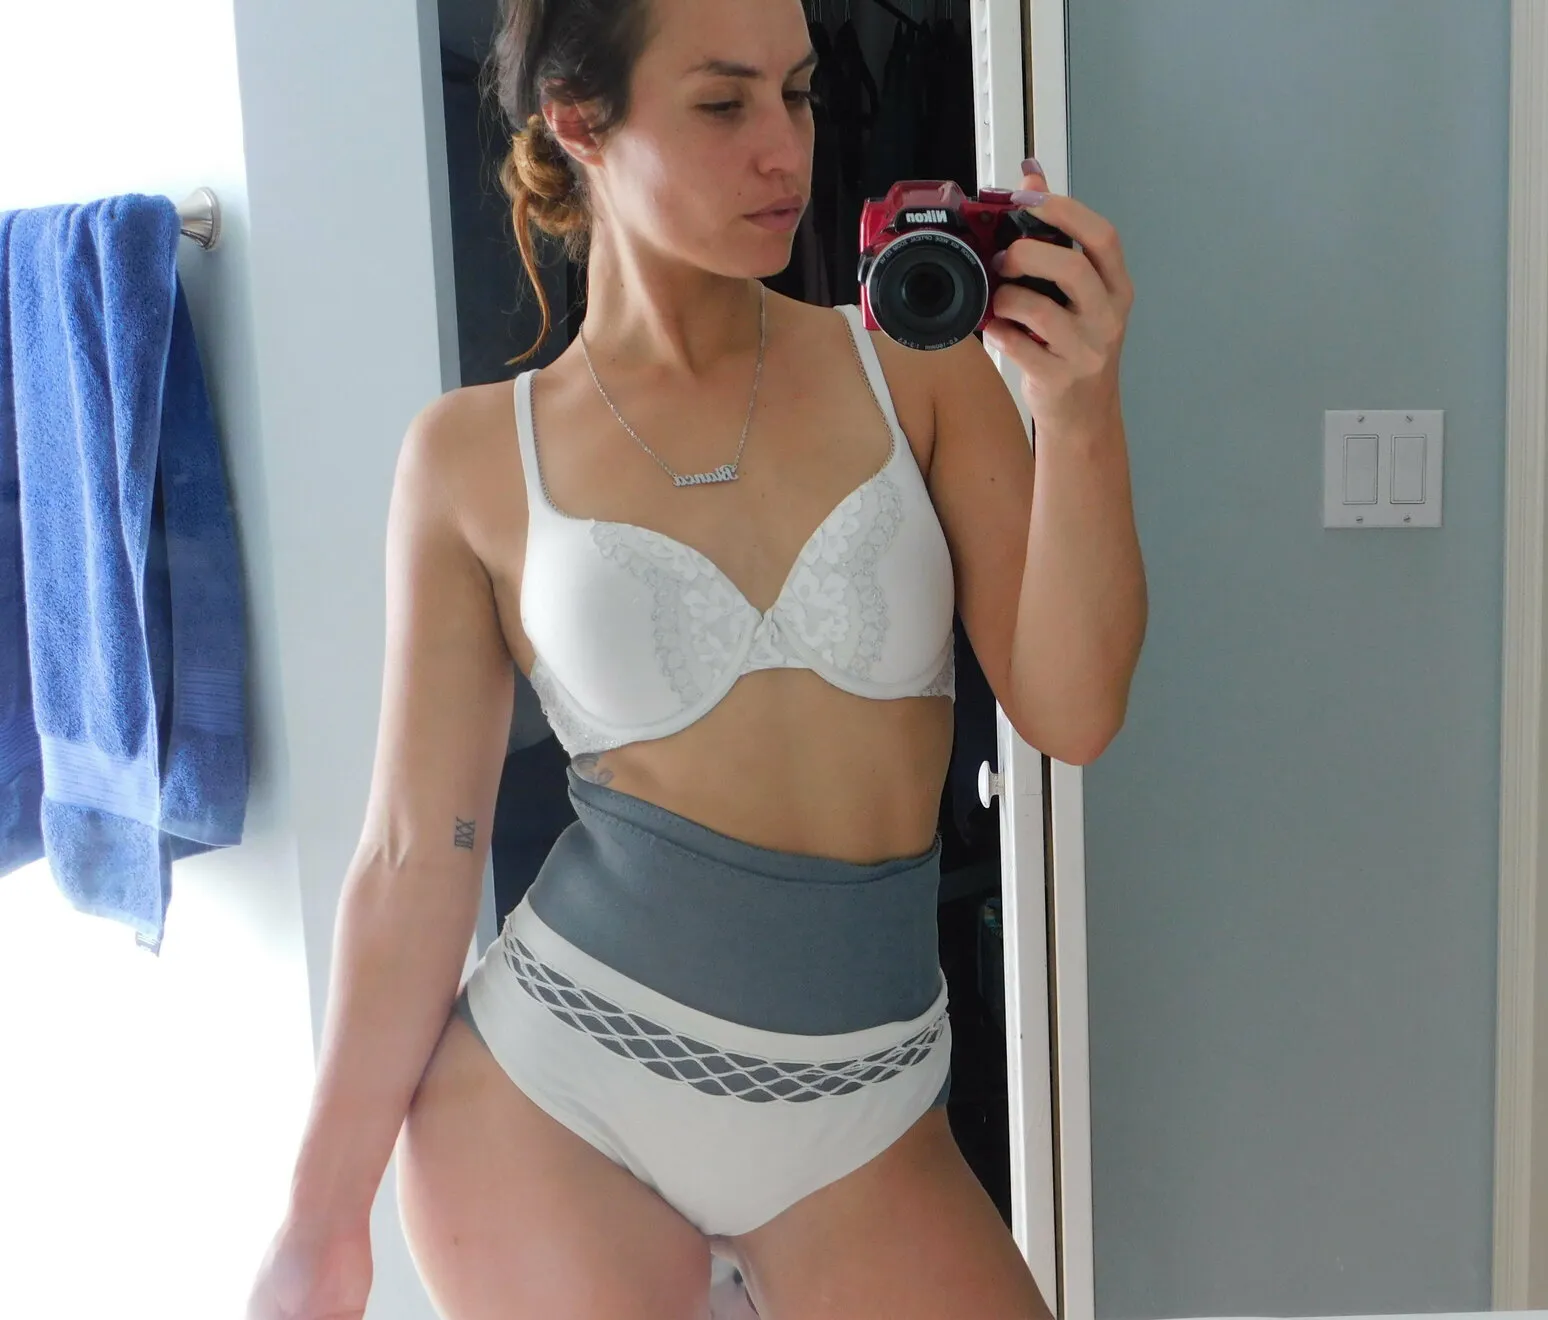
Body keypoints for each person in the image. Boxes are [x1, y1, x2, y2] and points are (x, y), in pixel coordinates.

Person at [245, 0, 1144, 1315]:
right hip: (559, 1097)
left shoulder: (915, 373)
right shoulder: (471, 457)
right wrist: (319, 1221)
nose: (785, 148)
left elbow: (1075, 712)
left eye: (799, 93)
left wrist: (1079, 410)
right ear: (580, 122)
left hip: (870, 1116)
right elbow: (411, 854)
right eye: (724, 105)